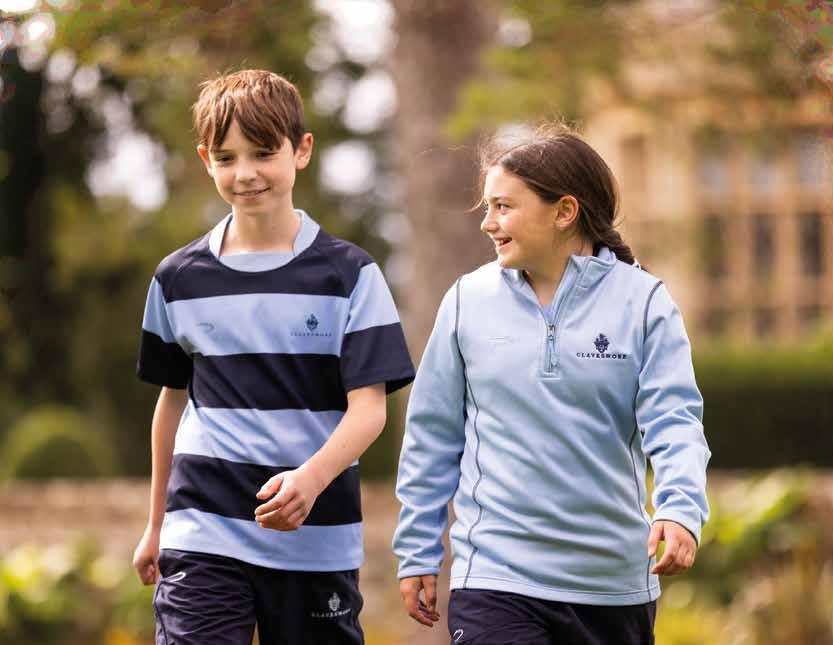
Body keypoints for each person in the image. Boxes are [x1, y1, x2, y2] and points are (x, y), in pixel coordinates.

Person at [392, 124, 711, 644]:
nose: (488, 223)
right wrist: (417, 550)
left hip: (612, 589)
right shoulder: (467, 301)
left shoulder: (645, 302)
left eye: (503, 207)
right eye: (488, 207)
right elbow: (431, 437)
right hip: (495, 578)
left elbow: (674, 424)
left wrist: (679, 509)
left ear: (564, 212)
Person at [132, 69, 415, 645]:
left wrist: (310, 481)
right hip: (202, 533)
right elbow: (172, 404)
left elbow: (369, 410)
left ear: (301, 150)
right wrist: (157, 524)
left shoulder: (351, 275)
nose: (245, 173)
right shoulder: (177, 278)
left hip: (316, 540)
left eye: (263, 153)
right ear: (205, 160)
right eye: (226, 157)